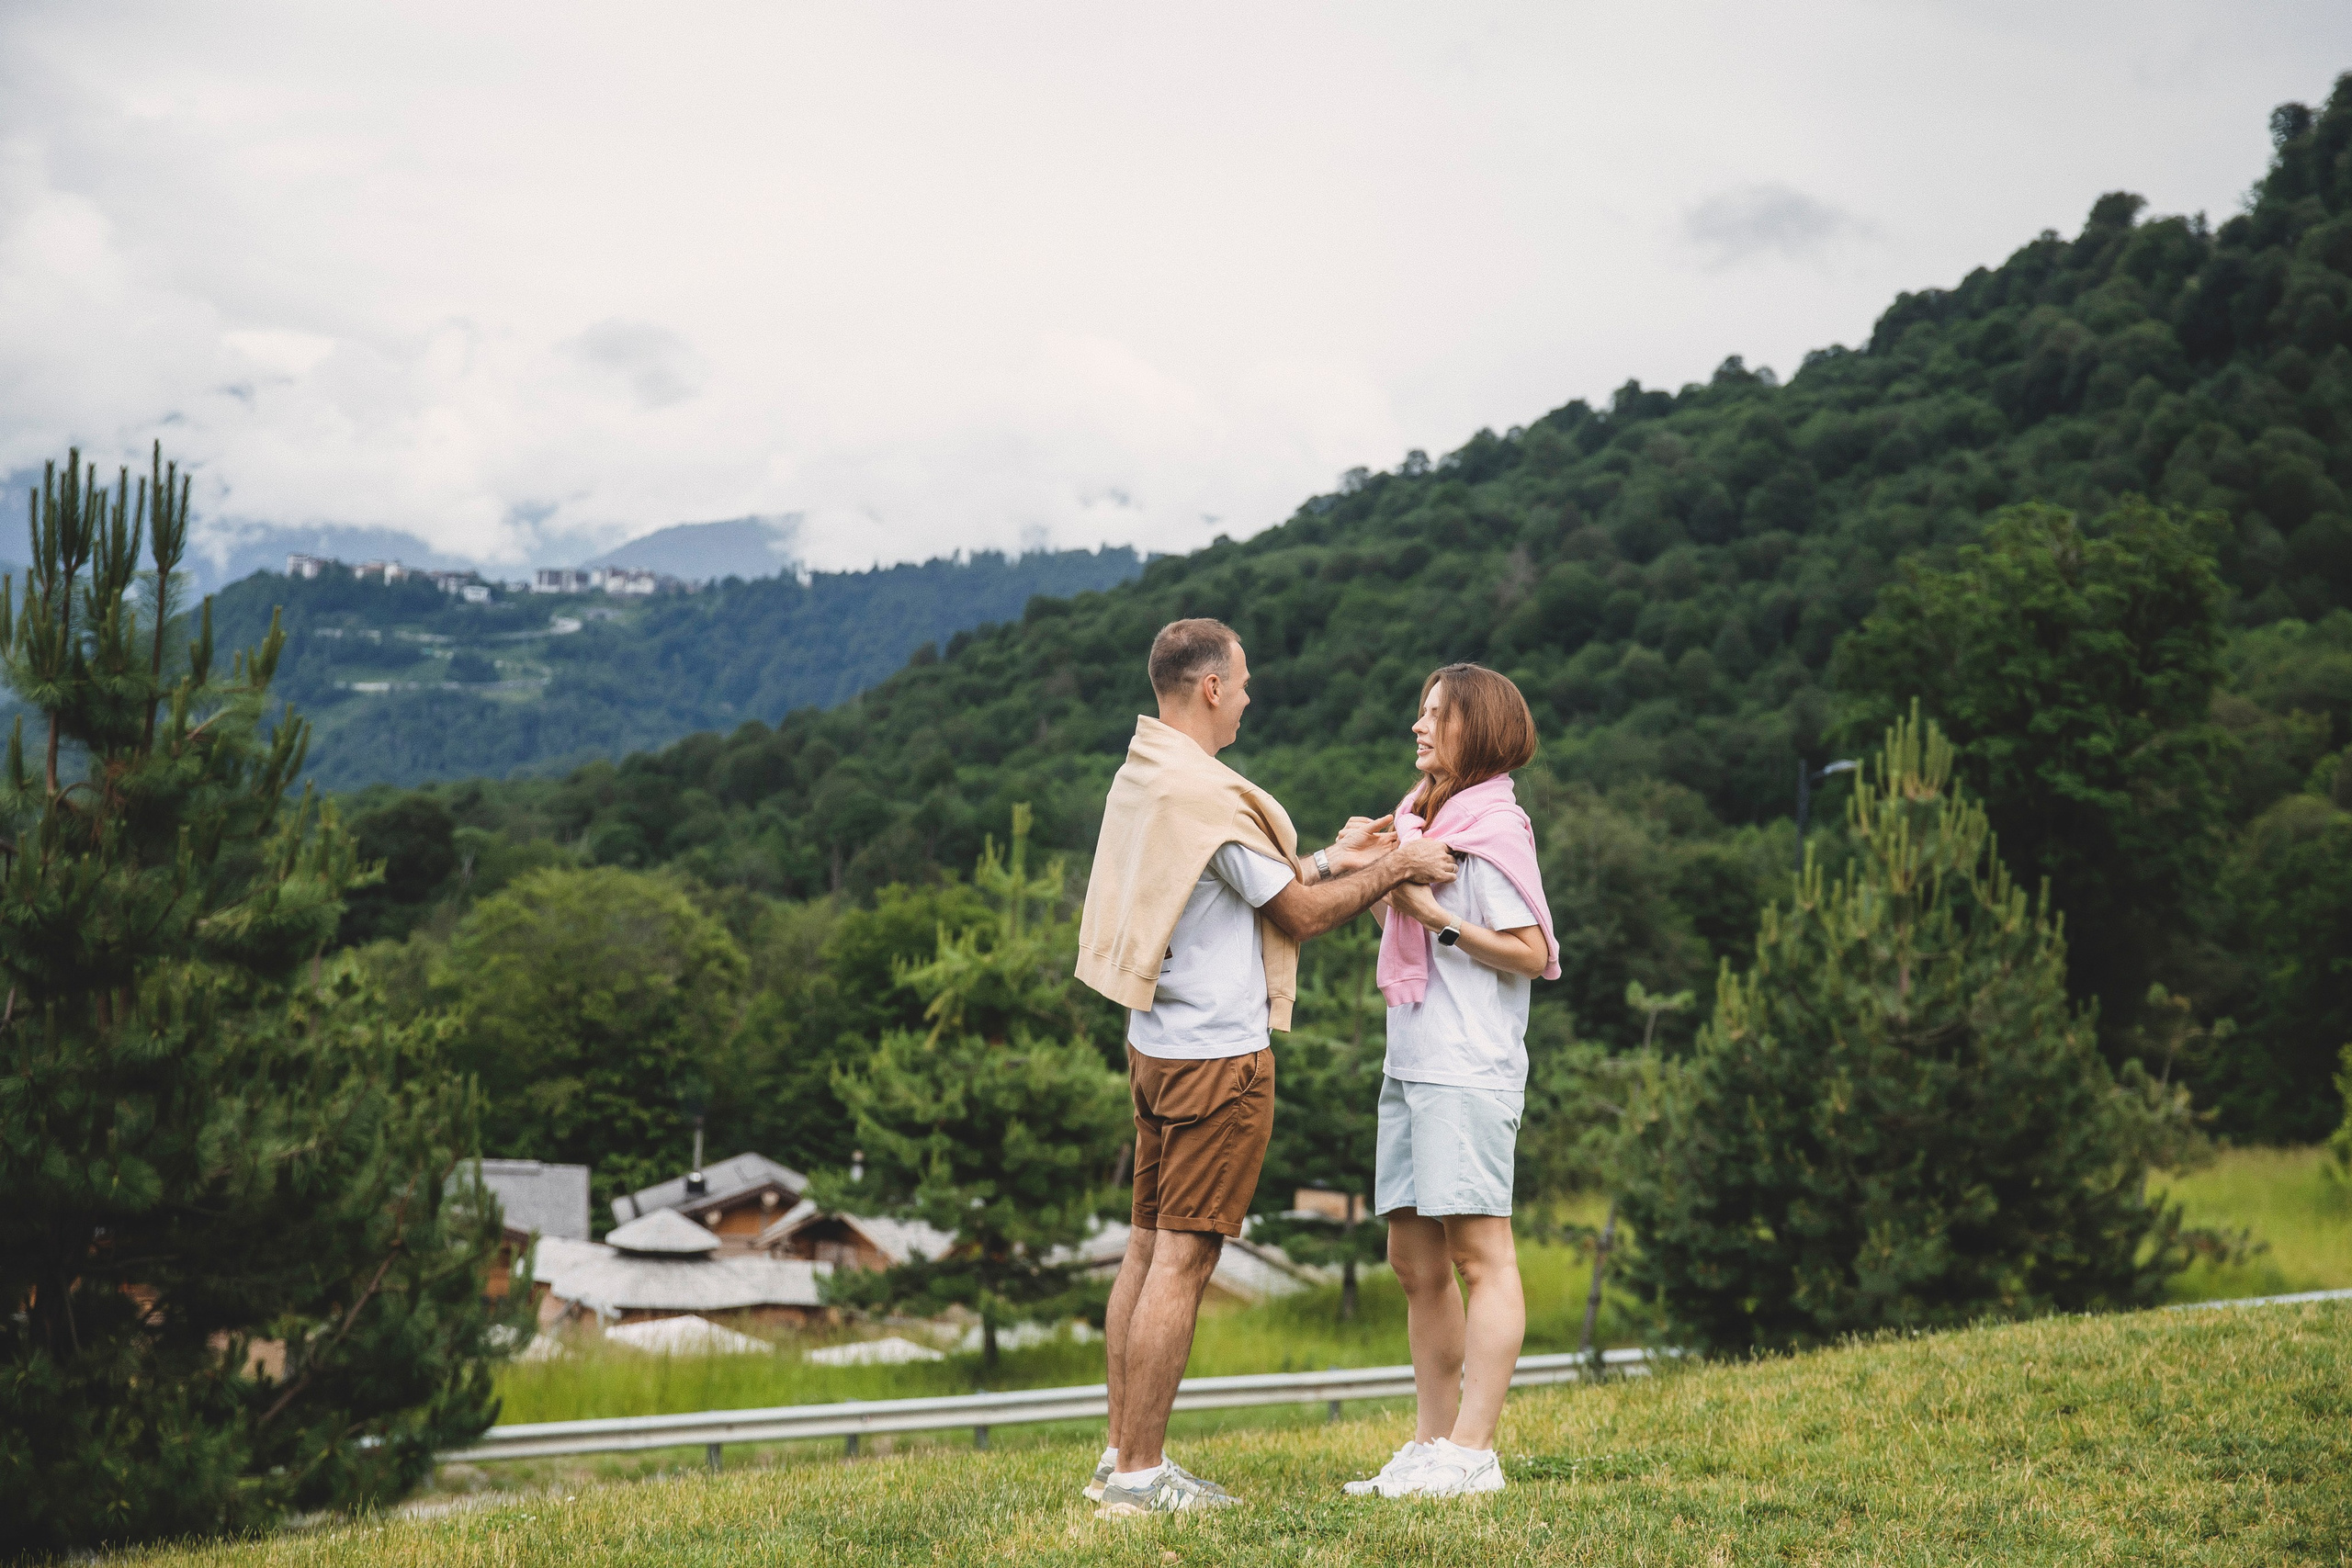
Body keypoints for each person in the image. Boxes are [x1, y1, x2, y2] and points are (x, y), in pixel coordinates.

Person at [1075, 617, 1460, 1517]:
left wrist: (1336, 855)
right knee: (1183, 1261)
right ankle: (1139, 1477)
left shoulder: (1149, 778)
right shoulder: (1206, 793)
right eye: (1242, 682)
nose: (1248, 697)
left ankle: (1118, 1455)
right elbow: (1298, 917)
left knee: (1142, 1252)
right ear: (1209, 687)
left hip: (1154, 1050)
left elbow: (1237, 884)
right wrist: (1399, 862)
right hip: (1216, 1061)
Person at [1346, 662, 1558, 1501]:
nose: (1418, 726)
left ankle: (1473, 1452)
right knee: (1412, 1258)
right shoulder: (1419, 823)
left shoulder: (1493, 829)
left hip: (1467, 1067)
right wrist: (1376, 869)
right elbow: (1395, 927)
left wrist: (1439, 916)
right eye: (1421, 712)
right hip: (1413, 1061)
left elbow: (1533, 952)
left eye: (1436, 714)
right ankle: (1432, 1443)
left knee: (1480, 1253)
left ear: (1480, 729)